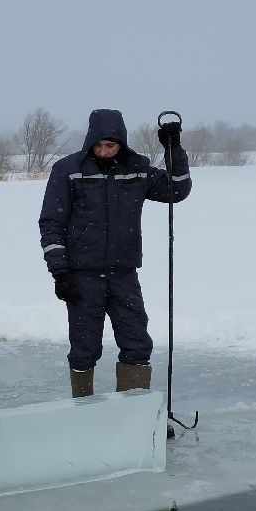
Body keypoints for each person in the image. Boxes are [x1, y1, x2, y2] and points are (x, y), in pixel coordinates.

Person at [38, 109, 192, 397]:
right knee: (84, 349)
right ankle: (83, 409)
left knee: (137, 343)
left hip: (123, 274)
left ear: (121, 142)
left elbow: (177, 189)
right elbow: (51, 223)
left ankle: (131, 411)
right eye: (98, 145)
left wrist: (174, 149)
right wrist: (60, 272)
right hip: (82, 276)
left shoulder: (136, 168)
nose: (104, 151)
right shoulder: (68, 170)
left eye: (110, 145)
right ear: (90, 142)